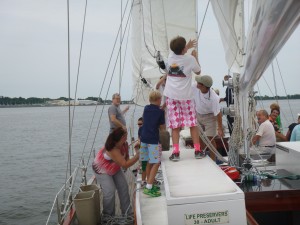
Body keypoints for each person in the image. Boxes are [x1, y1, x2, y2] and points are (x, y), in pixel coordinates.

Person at [163, 36, 203, 161]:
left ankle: (175, 152)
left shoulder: (170, 57)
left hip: (171, 96)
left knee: (175, 125)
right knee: (192, 124)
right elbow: (198, 71)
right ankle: (197, 150)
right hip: (186, 97)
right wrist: (195, 56)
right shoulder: (190, 59)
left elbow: (177, 50)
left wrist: (187, 46)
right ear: (183, 48)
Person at [92, 127, 139, 218]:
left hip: (114, 167)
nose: (127, 137)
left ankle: (127, 213)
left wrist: (136, 151)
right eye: (125, 135)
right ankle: (108, 216)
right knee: (110, 191)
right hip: (101, 169)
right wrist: (138, 155)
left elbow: (127, 160)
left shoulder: (124, 144)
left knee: (123, 187)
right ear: (122, 137)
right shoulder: (112, 149)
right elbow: (125, 165)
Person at [140, 90, 165, 197]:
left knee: (148, 161)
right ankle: (149, 186)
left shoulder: (146, 108)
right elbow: (162, 128)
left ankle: (149, 181)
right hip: (153, 140)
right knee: (156, 162)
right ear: (159, 99)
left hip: (143, 138)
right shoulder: (160, 112)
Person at [193, 75, 224, 161]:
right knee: (200, 137)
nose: (197, 84)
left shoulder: (214, 98)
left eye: (199, 83)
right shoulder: (194, 86)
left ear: (204, 86)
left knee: (210, 139)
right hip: (198, 114)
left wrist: (220, 128)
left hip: (210, 117)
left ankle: (213, 159)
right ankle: (201, 153)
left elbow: (218, 114)